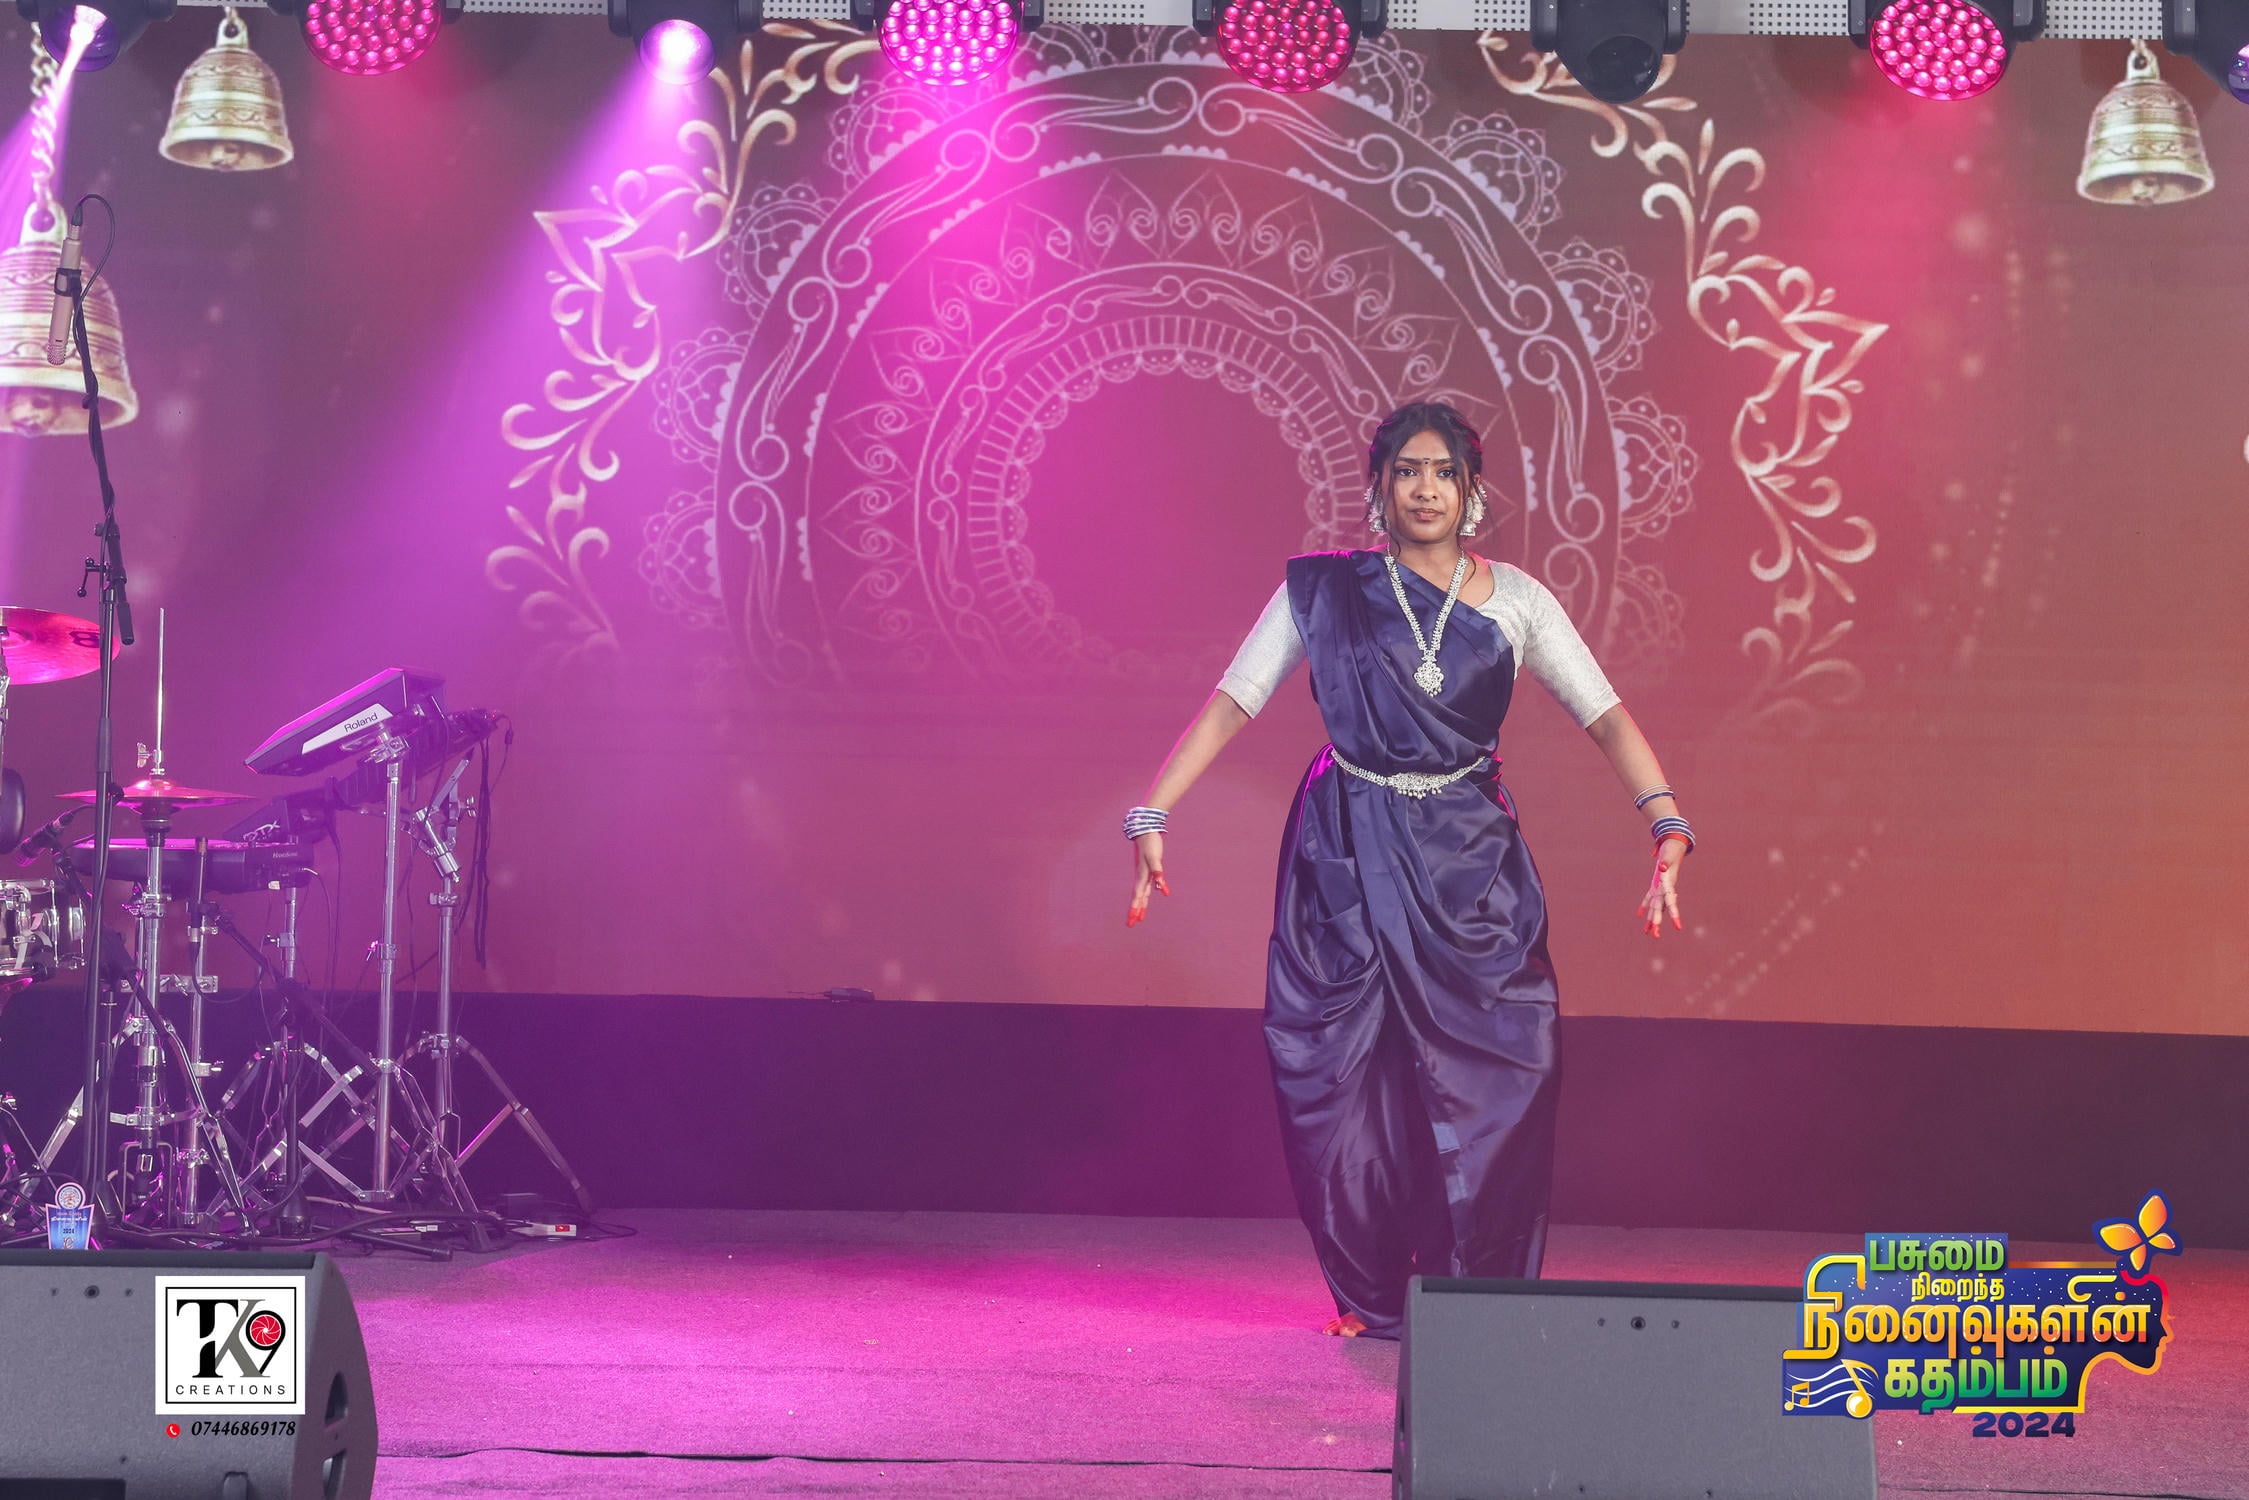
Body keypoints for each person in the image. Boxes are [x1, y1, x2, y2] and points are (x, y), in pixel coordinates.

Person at [1122, 401, 1694, 1339]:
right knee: (1347, 1077)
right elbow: (1234, 699)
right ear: (1378, 487)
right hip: (1344, 851)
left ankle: (1481, 1297)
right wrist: (1155, 810)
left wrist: (1664, 822)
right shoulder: (1325, 591)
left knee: (1510, 1067)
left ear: (1471, 492)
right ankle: (1374, 1293)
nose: (1424, 490)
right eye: (1406, 471)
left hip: (1471, 861)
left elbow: (1606, 717)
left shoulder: (1517, 600)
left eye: (1442, 473)